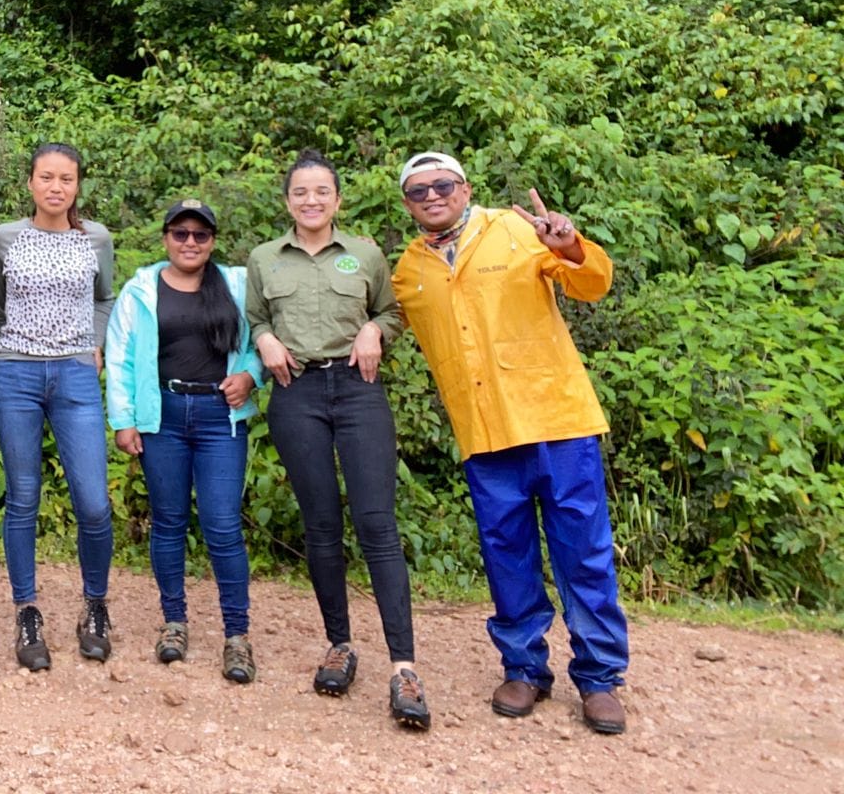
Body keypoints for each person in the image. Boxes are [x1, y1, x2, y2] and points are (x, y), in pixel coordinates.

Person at [390, 151, 629, 734]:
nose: (432, 197)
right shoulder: (408, 271)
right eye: (418, 192)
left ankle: (599, 679)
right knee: (506, 555)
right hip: (485, 431)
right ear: (407, 204)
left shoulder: (518, 231)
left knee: (584, 551)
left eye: (442, 185)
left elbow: (591, 283)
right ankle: (524, 668)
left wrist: (569, 244)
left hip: (558, 420)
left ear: (465, 188)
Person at [246, 149, 430, 730]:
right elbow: (254, 318)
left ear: (337, 199)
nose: (311, 201)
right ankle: (340, 645)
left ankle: (404, 666)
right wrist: (265, 338)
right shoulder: (264, 260)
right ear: (287, 201)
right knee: (321, 523)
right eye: (300, 192)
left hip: (358, 392)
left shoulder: (366, 254)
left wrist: (376, 327)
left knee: (377, 522)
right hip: (296, 393)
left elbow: (395, 312)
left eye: (321, 191)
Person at [105, 198, 263, 683]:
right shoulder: (141, 290)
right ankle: (174, 622)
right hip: (163, 417)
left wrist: (252, 376)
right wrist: (123, 420)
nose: (190, 243)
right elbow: (121, 357)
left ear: (212, 240)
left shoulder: (235, 285)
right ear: (165, 238)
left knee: (221, 527)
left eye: (200, 235)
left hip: (221, 417)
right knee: (169, 522)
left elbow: (262, 340)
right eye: (180, 233)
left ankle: (237, 636)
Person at [0, 143, 117, 670]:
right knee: (22, 497)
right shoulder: (6, 238)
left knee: (93, 502)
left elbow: (104, 297)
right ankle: (27, 610)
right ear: (31, 183)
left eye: (66, 179)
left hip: (75, 374)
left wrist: (96, 344)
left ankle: (96, 604)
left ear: (78, 185)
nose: (56, 187)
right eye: (46, 177)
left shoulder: (96, 239)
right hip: (16, 372)